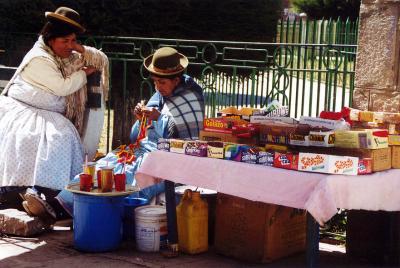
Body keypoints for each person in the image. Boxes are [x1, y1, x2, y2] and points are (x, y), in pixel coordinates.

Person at [31, 46, 205, 224]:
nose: (157, 87)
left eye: (162, 83)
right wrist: (142, 119)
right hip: (146, 150)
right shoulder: (161, 94)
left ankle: (74, 213)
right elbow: (136, 135)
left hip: (172, 159)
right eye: (154, 82)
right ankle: (58, 205)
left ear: (176, 80)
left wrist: (158, 117)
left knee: (128, 175)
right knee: (106, 164)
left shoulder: (189, 97)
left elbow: (185, 143)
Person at [0, 7, 108, 225]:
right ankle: (36, 191)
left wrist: (79, 48)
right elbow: (62, 87)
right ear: (50, 39)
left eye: (73, 41)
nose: (70, 47)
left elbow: (101, 60)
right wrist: (83, 74)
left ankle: (49, 195)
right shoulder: (39, 58)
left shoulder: (60, 55)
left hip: (43, 110)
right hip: (23, 110)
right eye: (65, 41)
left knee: (62, 135)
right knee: (56, 137)